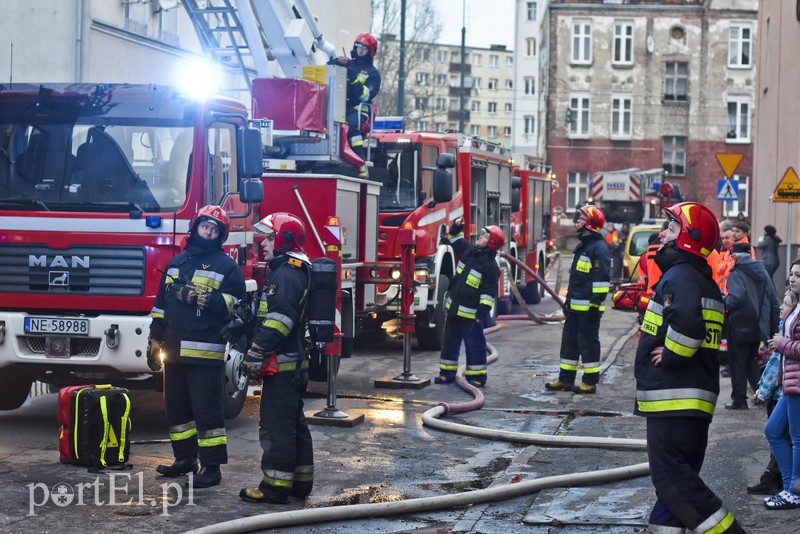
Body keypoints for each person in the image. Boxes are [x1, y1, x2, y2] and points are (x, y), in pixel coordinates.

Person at [634, 201, 745, 533]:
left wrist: (669, 355)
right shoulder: (698, 278)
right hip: (691, 401)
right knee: (673, 490)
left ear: (687, 238)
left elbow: (688, 328)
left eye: (670, 227)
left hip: (673, 399)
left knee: (674, 482)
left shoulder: (680, 276)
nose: (662, 233)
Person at [149, 205, 245, 488]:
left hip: (205, 353)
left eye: (215, 230)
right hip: (174, 351)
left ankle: (212, 468)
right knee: (176, 409)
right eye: (205, 227)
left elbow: (236, 306)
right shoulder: (176, 263)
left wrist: (202, 298)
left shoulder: (226, 266)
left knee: (207, 412)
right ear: (195, 227)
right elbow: (160, 306)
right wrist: (155, 341)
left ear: (221, 235)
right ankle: (185, 459)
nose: (209, 233)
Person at [240, 212, 314, 505]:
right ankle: (300, 483)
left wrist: (256, 352)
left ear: (285, 240)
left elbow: (279, 320)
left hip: (282, 365)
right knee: (294, 424)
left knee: (276, 427)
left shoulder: (285, 273)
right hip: (292, 364)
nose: (263, 244)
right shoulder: (291, 270)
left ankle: (274, 488)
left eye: (269, 238)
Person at [546, 205, 611, 394]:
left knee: (588, 345)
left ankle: (589, 382)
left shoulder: (598, 249)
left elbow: (601, 280)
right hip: (574, 309)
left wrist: (595, 303)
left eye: (582, 219)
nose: (578, 222)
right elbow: (577, 280)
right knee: (569, 344)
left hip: (589, 310)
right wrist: (568, 303)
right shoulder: (583, 246)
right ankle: (565, 380)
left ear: (590, 223)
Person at [435, 218, 502, 387]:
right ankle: (446, 373)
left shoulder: (491, 267)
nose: (480, 237)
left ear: (491, 244)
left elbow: (488, 293)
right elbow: (455, 239)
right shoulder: (469, 251)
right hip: (454, 309)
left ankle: (477, 377)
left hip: (472, 315)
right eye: (482, 234)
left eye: (485, 236)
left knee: (475, 346)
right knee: (449, 342)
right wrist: (458, 226)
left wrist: (482, 313)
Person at [748, 289, 798, 495]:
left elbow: (776, 364)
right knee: (775, 432)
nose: (780, 307)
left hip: (791, 387)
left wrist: (764, 391)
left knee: (793, 438)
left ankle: (791, 489)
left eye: (785, 304)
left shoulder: (786, 332)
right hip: (787, 388)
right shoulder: (784, 328)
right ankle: (787, 486)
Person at [722, 242, 779, 410]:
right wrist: (771, 329)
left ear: (735, 256)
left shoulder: (736, 272)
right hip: (758, 326)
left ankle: (739, 400)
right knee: (750, 361)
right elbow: (774, 300)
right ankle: (763, 395)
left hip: (739, 325)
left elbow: (737, 297)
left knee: (737, 363)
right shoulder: (762, 272)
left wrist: (723, 301)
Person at [764, 259, 800, 509]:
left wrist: (781, 344)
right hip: (790, 383)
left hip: (798, 384)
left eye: (799, 275)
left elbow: (789, 345)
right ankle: (789, 488)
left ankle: (794, 493)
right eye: (791, 274)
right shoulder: (796, 306)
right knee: (773, 431)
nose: (793, 279)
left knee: (798, 439)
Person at [330, 33, 381, 178]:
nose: (360, 51)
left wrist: (353, 78)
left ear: (371, 52)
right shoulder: (349, 64)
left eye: (364, 49)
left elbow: (366, 95)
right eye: (358, 47)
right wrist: (334, 63)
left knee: (351, 127)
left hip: (359, 109)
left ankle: (361, 162)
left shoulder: (373, 74)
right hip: (340, 106)